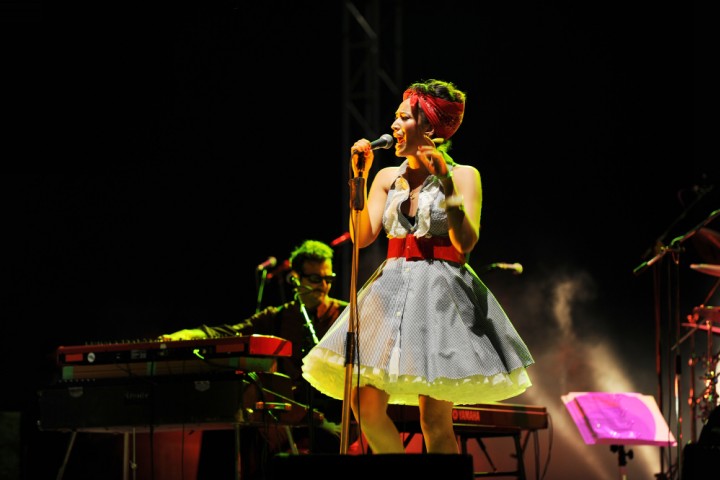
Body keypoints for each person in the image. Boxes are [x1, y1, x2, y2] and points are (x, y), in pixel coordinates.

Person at [301, 79, 535, 455]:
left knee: (434, 419)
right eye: (395, 117)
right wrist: (358, 179)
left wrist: (443, 182)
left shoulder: (464, 175)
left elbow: (465, 243)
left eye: (403, 117)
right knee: (364, 404)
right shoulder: (385, 177)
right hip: (390, 291)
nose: (393, 125)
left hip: (439, 297)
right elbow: (361, 237)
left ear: (429, 128)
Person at [159, 239, 348, 478]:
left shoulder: (345, 316)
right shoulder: (277, 317)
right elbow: (229, 332)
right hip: (289, 415)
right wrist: (186, 335)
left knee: (327, 437)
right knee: (242, 430)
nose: (323, 286)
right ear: (296, 278)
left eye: (328, 279)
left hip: (332, 418)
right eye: (315, 279)